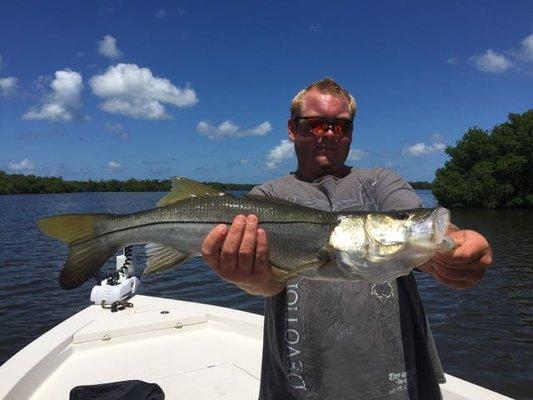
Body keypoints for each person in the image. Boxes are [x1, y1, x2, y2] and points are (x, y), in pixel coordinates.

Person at [201, 78, 492, 400]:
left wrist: (454, 250)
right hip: (297, 382)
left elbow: (413, 220)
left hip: (400, 380)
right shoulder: (266, 197)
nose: (328, 133)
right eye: (315, 124)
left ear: (350, 133)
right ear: (292, 129)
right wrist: (251, 280)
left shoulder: (381, 181)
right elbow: (268, 286)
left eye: (341, 126)